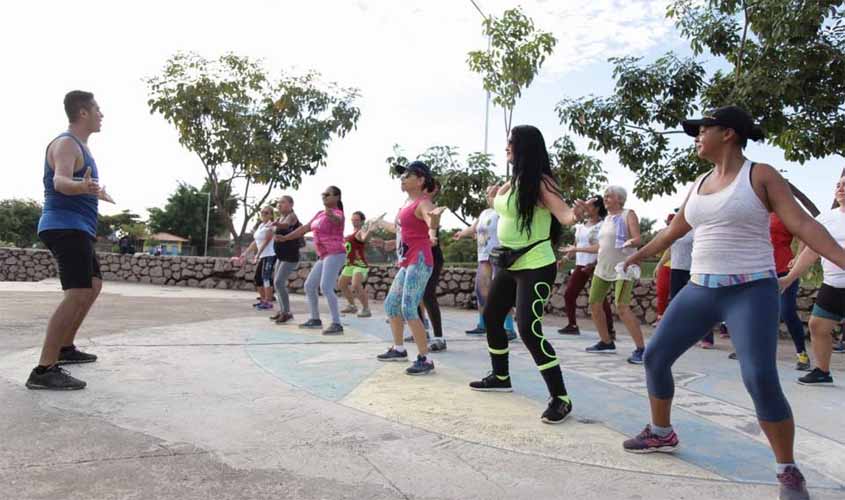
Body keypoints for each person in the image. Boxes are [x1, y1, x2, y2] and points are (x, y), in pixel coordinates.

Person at [620, 105, 845, 500]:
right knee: (655, 357)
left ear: (728, 133)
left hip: (751, 290)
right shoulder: (699, 182)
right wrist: (638, 255)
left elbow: (804, 224)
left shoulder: (760, 175)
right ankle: (661, 432)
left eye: (702, 129)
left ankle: (788, 470)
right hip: (700, 289)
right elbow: (673, 231)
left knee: (759, 377)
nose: (696, 136)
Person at [467, 125, 585, 424]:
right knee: (492, 317)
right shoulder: (514, 181)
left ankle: (561, 398)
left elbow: (564, 215)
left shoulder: (541, 182)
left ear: (526, 147)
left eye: (512, 142)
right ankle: (500, 376)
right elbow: (503, 208)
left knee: (528, 329)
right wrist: (493, 196)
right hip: (509, 263)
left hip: (535, 264)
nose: (507, 146)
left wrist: (577, 214)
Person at [27, 90, 113, 391]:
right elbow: (60, 181)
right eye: (97, 109)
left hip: (78, 228)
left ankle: (65, 347)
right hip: (64, 226)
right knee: (76, 292)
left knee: (93, 285)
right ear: (83, 113)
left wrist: (95, 191)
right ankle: (43, 369)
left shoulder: (82, 147)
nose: (102, 114)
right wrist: (82, 187)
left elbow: (75, 182)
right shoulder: (66, 143)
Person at [375, 161, 445, 375]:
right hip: (407, 261)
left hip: (420, 260)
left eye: (408, 175)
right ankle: (399, 349)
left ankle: (425, 359)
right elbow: (399, 229)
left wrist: (434, 226)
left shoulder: (424, 203)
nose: (402, 178)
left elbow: (431, 221)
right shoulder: (407, 203)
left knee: (408, 307)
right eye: (402, 175)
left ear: (421, 180)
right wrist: (378, 223)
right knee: (391, 305)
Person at [780, 174, 845, 385]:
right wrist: (788, 279)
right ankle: (822, 372)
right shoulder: (826, 219)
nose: (841, 188)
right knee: (817, 326)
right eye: (838, 185)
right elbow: (811, 251)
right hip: (833, 285)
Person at [584, 185, 647, 364]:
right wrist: (576, 250)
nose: (605, 198)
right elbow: (602, 246)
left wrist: (629, 242)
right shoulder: (606, 219)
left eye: (609, 196)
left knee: (622, 306)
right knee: (594, 304)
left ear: (620, 199)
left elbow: (638, 239)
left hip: (623, 267)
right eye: (605, 196)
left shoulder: (628, 214)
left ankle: (641, 350)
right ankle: (606, 342)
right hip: (602, 267)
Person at [277, 186, 346, 335]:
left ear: (337, 197)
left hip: (335, 253)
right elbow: (305, 228)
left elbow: (337, 220)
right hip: (324, 255)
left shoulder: (338, 213)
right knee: (309, 286)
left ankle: (337, 323)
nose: (324, 196)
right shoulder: (319, 214)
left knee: (326, 287)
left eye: (327, 194)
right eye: (323, 194)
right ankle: (315, 319)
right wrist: (286, 238)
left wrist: (331, 215)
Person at [454, 198, 516, 339]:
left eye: (494, 191)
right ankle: (483, 324)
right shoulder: (484, 213)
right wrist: (461, 233)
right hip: (483, 256)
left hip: (498, 256)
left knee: (502, 293)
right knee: (481, 291)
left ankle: (509, 328)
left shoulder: (504, 211)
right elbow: (473, 228)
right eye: (488, 192)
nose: (490, 193)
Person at [558, 195, 615, 336]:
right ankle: (572, 325)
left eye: (588, 205)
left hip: (596, 265)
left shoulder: (603, 226)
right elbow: (576, 246)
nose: (585, 207)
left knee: (600, 299)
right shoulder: (581, 227)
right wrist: (565, 258)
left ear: (597, 208)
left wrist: (592, 262)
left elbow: (602, 247)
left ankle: (609, 330)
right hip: (581, 265)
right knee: (569, 294)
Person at [339, 211, 379, 318]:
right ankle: (352, 306)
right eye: (353, 220)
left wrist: (370, 230)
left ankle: (366, 309)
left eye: (356, 220)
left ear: (362, 221)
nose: (354, 222)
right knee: (342, 284)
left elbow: (365, 239)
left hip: (359, 264)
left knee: (356, 285)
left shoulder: (361, 232)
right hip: (350, 264)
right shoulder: (352, 233)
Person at [236, 206, 276, 310]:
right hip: (263, 255)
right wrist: (245, 253)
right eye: (262, 212)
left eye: (266, 213)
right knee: (258, 278)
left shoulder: (270, 226)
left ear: (271, 215)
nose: (263, 214)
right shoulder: (261, 225)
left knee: (266, 278)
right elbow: (255, 242)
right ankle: (263, 300)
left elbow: (267, 241)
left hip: (269, 255)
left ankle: (268, 302)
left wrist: (258, 254)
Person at [270, 195, 301, 324]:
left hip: (290, 255)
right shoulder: (279, 218)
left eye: (282, 202)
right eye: (278, 202)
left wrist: (276, 225)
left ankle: (287, 312)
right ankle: (282, 310)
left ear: (291, 204)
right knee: (277, 283)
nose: (279, 204)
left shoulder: (292, 216)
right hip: (281, 255)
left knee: (279, 282)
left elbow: (285, 225)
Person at [653, 213, 675, 324]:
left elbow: (669, 250)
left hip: (676, 266)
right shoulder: (664, 234)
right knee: (662, 292)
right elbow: (659, 251)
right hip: (665, 267)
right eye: (668, 223)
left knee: (674, 295)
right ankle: (661, 318)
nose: (669, 224)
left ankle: (671, 320)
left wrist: (659, 264)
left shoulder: (679, 233)